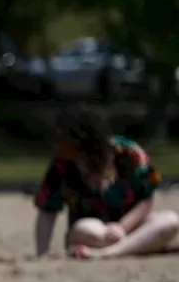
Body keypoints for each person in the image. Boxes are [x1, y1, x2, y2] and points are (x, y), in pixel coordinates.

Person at [33, 105, 176, 259]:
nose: (55, 144)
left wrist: (122, 227)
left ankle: (107, 254)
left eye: (60, 138)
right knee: (85, 229)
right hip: (93, 230)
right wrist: (42, 253)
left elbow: (146, 199)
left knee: (170, 221)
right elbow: (47, 211)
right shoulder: (61, 165)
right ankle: (142, 245)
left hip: (131, 226)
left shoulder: (128, 153)